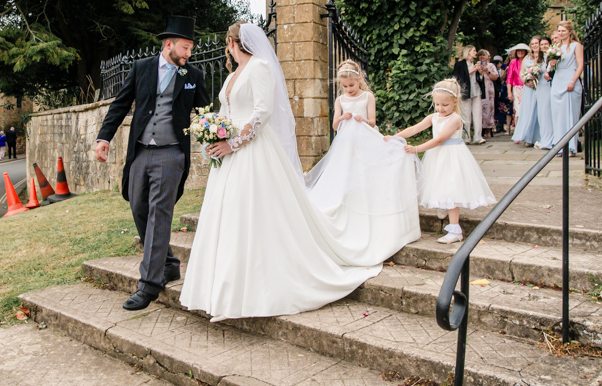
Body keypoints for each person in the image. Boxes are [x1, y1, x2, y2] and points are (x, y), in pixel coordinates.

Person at [179, 23, 384, 322]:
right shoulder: (233, 74)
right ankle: (219, 292)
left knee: (256, 216)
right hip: (229, 158)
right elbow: (227, 111)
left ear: (234, 43)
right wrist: (213, 135)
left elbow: (262, 113)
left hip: (253, 152)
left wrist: (232, 143)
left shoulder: (260, 67)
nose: (227, 49)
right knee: (228, 217)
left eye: (228, 44)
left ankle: (252, 291)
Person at [95, 15, 212, 311]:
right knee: (138, 206)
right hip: (141, 150)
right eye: (185, 48)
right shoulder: (142, 68)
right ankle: (170, 263)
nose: (188, 54)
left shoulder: (192, 76)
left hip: (171, 152)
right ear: (169, 44)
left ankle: (149, 285)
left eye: (191, 49)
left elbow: (205, 111)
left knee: (160, 213)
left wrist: (217, 135)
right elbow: (121, 103)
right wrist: (103, 137)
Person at [304, 59, 421, 265]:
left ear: (359, 80)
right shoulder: (340, 100)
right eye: (345, 86)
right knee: (345, 173)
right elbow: (334, 125)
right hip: (346, 144)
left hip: (365, 139)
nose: (349, 89)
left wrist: (363, 120)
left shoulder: (368, 96)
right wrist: (342, 118)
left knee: (367, 170)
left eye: (352, 85)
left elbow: (373, 121)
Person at [389, 78, 496, 245]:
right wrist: (394, 137)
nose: (440, 108)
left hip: (452, 156)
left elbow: (440, 139)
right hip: (437, 156)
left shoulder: (454, 119)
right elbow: (415, 128)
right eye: (437, 104)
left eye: (444, 105)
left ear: (454, 102)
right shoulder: (434, 116)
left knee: (451, 188)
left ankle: (455, 230)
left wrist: (417, 148)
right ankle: (443, 205)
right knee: (438, 182)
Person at [549, 21, 585, 156]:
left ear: (570, 31)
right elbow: (552, 67)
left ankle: (570, 147)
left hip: (570, 79)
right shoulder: (555, 47)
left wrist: (573, 81)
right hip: (557, 81)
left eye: (563, 30)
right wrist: (552, 63)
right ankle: (559, 145)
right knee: (558, 116)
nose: (561, 33)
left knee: (570, 115)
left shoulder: (577, 46)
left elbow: (580, 65)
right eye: (559, 31)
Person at [451, 45, 485, 144]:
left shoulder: (475, 63)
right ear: (468, 52)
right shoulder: (460, 64)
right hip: (466, 92)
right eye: (474, 50)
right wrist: (472, 71)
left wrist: (480, 72)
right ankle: (466, 137)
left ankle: (478, 137)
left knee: (478, 114)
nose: (476, 52)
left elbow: (479, 79)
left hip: (476, 91)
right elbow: (457, 77)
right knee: (466, 114)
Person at [511, 37, 541, 146]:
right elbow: (521, 73)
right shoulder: (527, 58)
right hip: (529, 88)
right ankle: (529, 138)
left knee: (539, 112)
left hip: (540, 86)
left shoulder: (543, 56)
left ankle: (539, 137)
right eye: (532, 43)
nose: (534, 45)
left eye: (536, 43)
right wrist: (526, 81)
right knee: (529, 111)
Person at [534, 35, 556, 150]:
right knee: (542, 113)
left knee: (548, 112)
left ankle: (550, 139)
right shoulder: (539, 59)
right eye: (541, 44)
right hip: (540, 87)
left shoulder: (552, 56)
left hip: (548, 86)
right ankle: (544, 138)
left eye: (545, 44)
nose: (543, 46)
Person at [506, 44, 529, 128]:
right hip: (517, 88)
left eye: (522, 50)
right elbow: (509, 78)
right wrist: (509, 92)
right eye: (518, 51)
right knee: (518, 109)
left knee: (528, 109)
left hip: (528, 87)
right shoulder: (513, 62)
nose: (520, 52)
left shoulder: (529, 61)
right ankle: (518, 129)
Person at [478, 50, 499, 138]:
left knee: (489, 109)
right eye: (480, 55)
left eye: (484, 55)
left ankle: (488, 129)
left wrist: (487, 71)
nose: (482, 57)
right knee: (480, 109)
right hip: (479, 87)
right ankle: (480, 129)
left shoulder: (491, 66)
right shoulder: (477, 64)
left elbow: (495, 77)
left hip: (488, 87)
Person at [493, 55, 511, 134]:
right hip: (506, 86)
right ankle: (502, 126)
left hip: (517, 86)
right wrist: (506, 71)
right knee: (504, 106)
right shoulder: (505, 66)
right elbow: (501, 78)